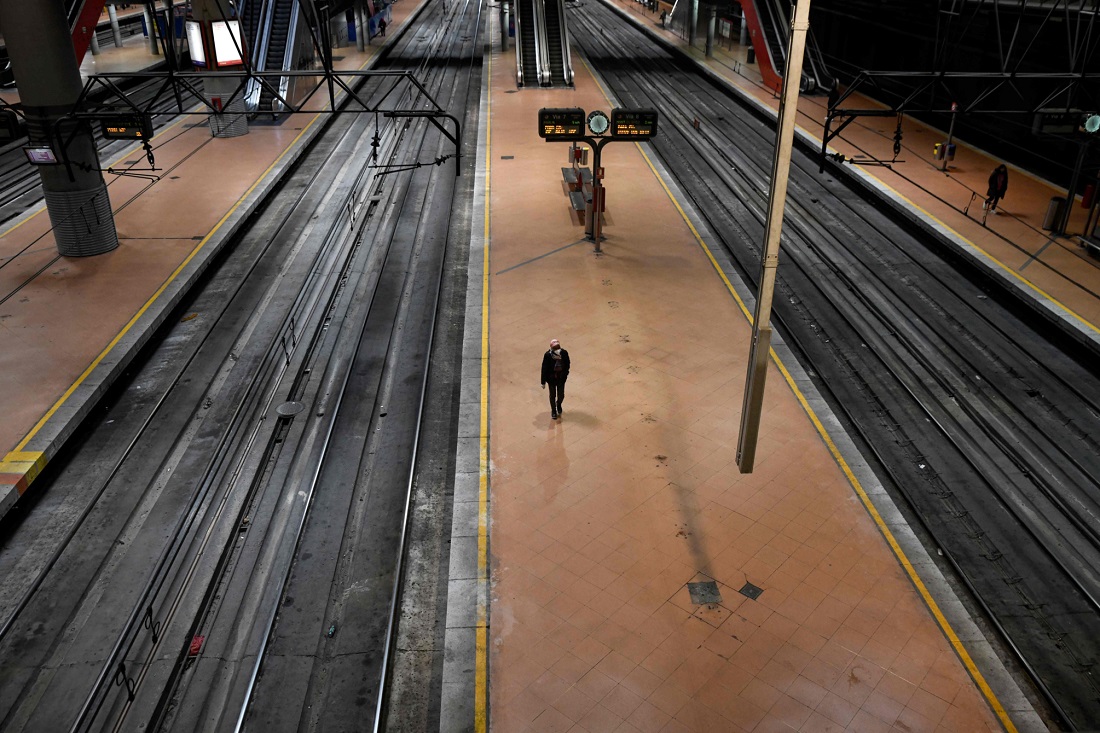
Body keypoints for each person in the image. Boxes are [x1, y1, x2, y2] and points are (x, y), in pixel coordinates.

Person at [540, 339, 570, 420]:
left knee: (561, 395)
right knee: (552, 395)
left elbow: (567, 364)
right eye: (555, 348)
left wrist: (565, 374)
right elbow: (544, 368)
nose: (557, 349)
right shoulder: (548, 355)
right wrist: (543, 382)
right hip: (551, 379)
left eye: (558, 347)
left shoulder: (564, 353)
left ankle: (558, 404)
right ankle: (553, 410)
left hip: (561, 378)